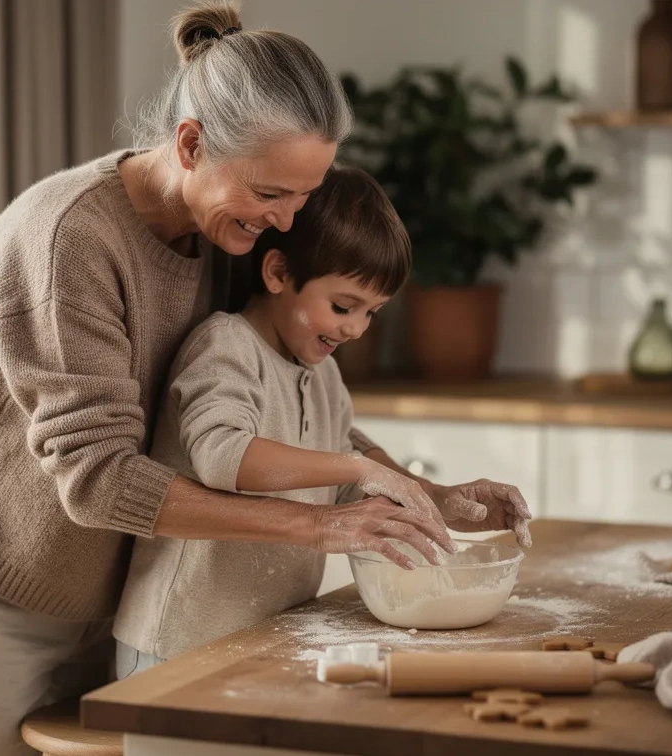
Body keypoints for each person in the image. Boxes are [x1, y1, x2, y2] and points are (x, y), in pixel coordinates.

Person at [0, 3, 532, 755]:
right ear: (190, 143)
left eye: (303, 197)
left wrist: (428, 498)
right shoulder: (69, 242)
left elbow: (288, 416)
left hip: (113, 581)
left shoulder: (232, 232)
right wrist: (322, 524)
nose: (288, 224)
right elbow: (97, 480)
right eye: (270, 194)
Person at [114, 165, 471, 675]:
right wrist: (355, 468)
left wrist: (436, 497)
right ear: (278, 273)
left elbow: (347, 483)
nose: (355, 329)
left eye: (372, 313)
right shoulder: (226, 347)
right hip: (175, 644)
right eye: (344, 306)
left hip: (260, 637)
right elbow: (223, 456)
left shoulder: (321, 373)